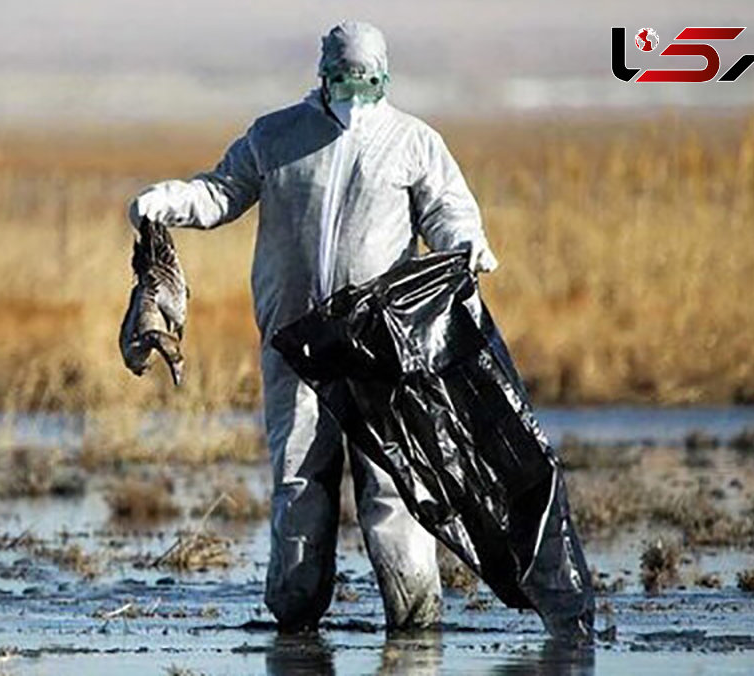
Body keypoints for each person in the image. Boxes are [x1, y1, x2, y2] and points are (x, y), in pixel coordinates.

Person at [127, 20, 498, 632]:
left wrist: (468, 243)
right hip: (295, 342)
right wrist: (169, 201)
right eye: (346, 80)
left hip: (382, 347)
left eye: (368, 81)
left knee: (392, 482)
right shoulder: (277, 136)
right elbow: (222, 193)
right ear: (323, 76)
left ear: (385, 78)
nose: (357, 93)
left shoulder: (413, 142)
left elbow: (448, 210)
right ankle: (294, 618)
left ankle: (415, 624)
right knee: (299, 475)